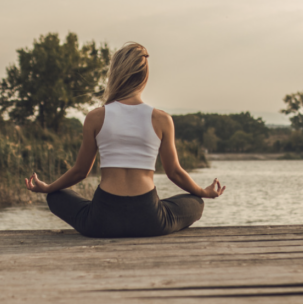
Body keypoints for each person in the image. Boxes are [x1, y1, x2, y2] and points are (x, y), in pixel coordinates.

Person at [25, 42, 225, 237]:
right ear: (145, 77)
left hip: (102, 221)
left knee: (56, 197)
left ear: (115, 75)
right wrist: (202, 191)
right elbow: (174, 173)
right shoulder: (162, 119)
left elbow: (80, 171)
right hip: (150, 219)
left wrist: (48, 187)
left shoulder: (95, 117)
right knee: (196, 203)